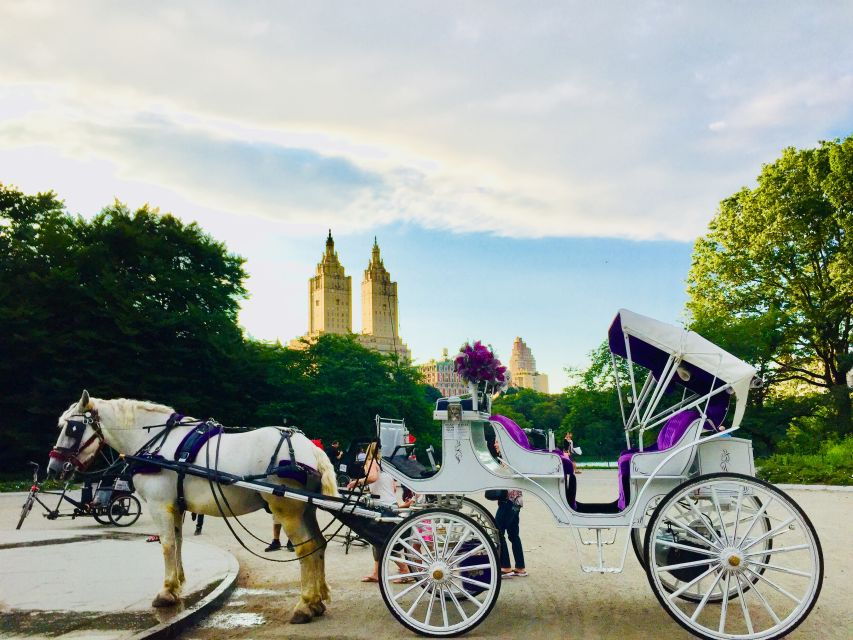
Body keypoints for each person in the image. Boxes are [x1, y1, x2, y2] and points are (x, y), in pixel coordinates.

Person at [347, 442, 412, 582]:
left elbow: (373, 478)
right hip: (391, 504)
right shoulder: (386, 466)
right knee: (376, 540)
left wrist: (356, 482)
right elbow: (393, 487)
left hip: (382, 506)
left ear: (367, 451)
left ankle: (404, 569)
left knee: (381, 540)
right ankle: (376, 573)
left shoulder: (370, 462)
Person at [492, 439, 527, 578]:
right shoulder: (511, 457)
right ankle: (520, 567)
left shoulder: (505, 458)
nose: (495, 444)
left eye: (497, 441)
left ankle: (505, 567)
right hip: (516, 501)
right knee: (513, 535)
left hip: (508, 500)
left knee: (498, 532)